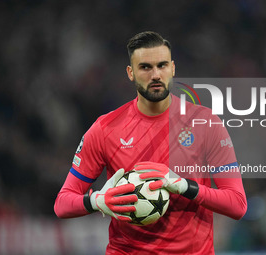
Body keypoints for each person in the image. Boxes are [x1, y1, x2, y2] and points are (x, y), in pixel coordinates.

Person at [54, 31, 247, 254]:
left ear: (173, 68)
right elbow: (62, 204)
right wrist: (97, 201)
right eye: (145, 67)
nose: (156, 74)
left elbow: (238, 204)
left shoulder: (206, 123)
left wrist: (184, 186)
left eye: (162, 65)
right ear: (131, 73)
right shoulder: (104, 129)